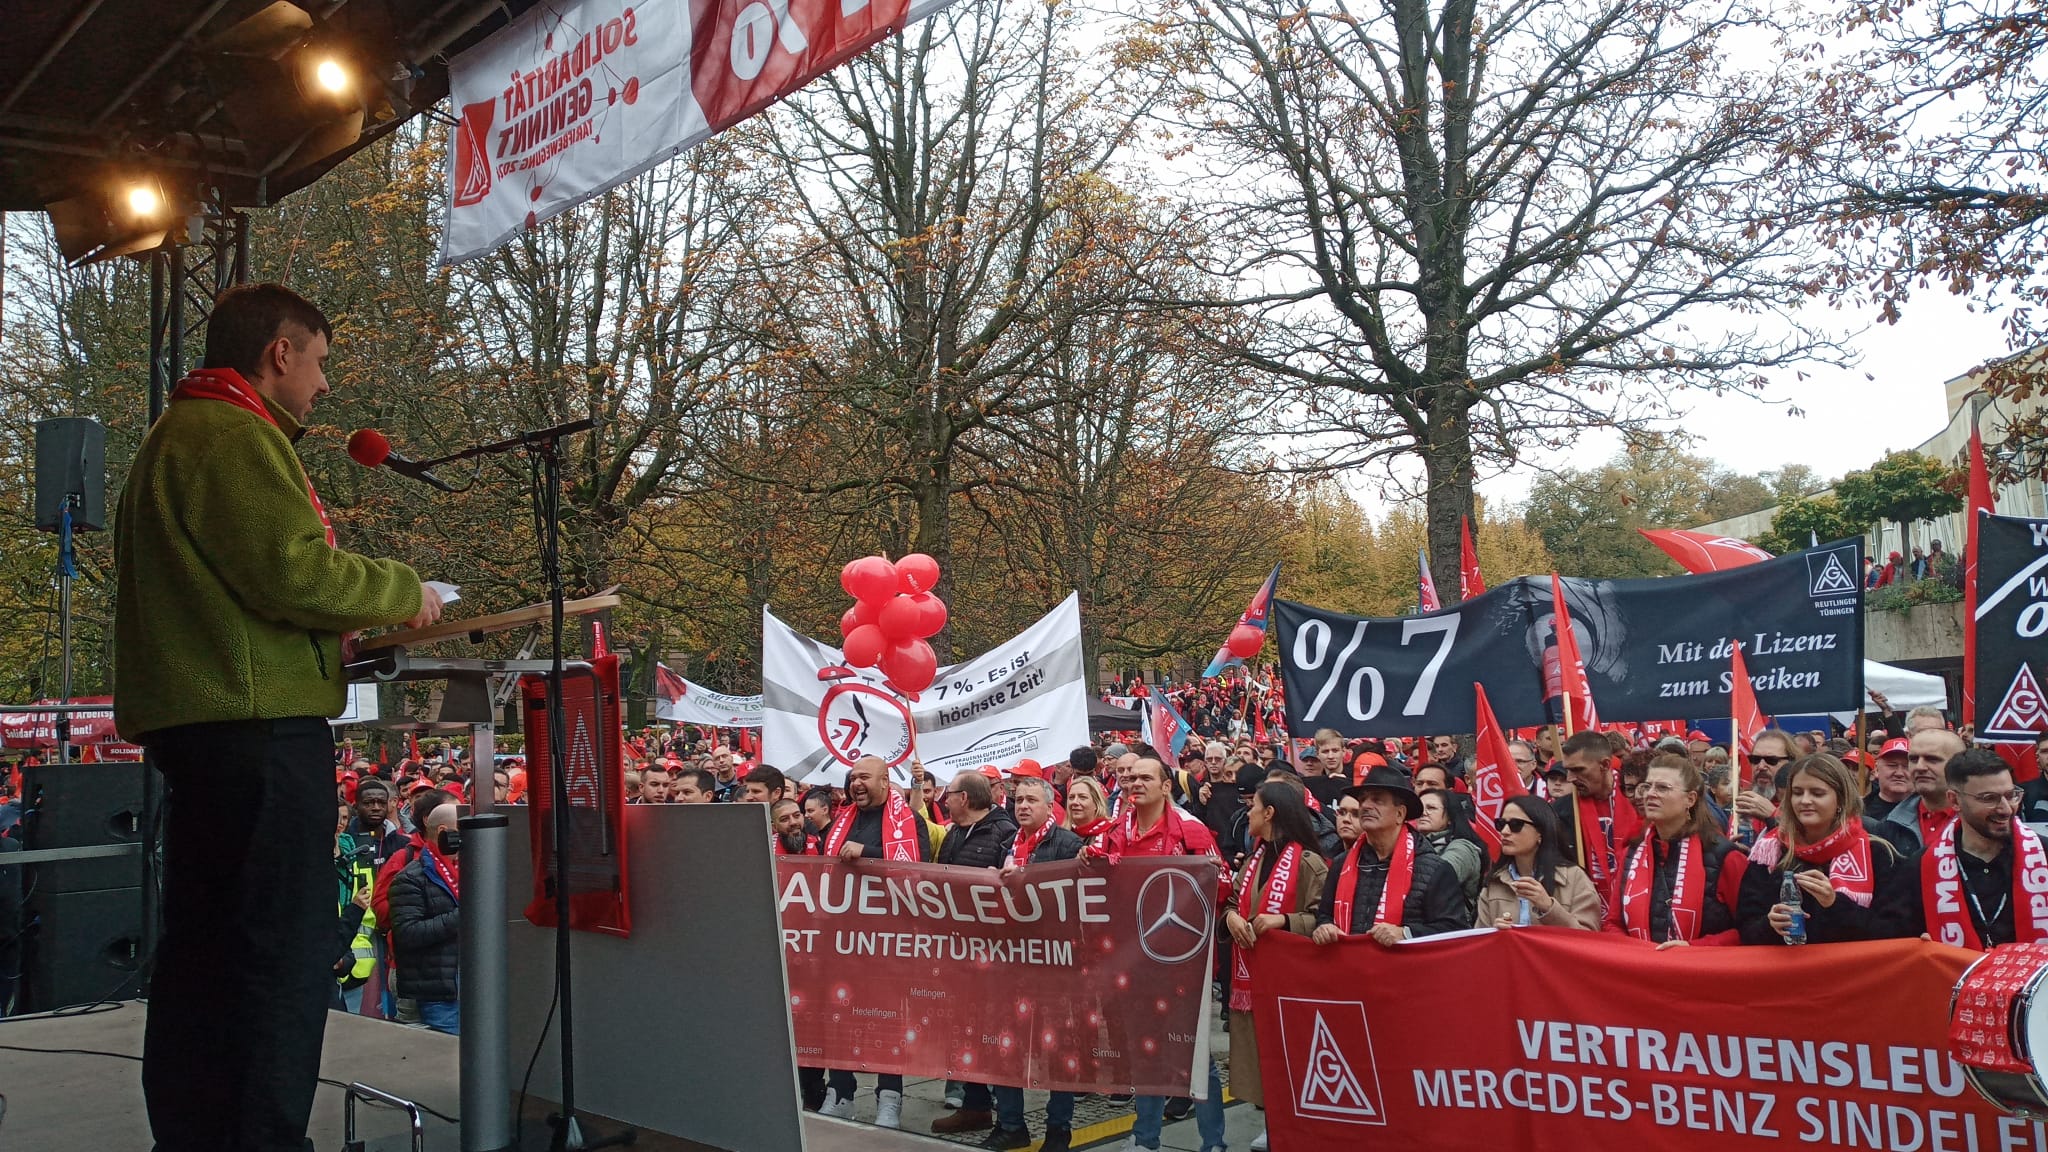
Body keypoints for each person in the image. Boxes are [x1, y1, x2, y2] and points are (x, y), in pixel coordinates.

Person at [114, 284, 444, 1152]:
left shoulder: (177, 436)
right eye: (322, 362)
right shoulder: (230, 435)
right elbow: (292, 572)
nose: (327, 387)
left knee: (209, 954)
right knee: (275, 955)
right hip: (256, 734)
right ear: (280, 354)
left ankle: (200, 1132)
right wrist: (406, 592)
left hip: (215, 733)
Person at [1104, 757, 1228, 1152]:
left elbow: (1222, 887)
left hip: (1181, 966)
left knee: (1193, 1055)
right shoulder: (1115, 831)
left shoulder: (1191, 830)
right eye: (1130, 777)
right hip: (1134, 962)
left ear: (1165, 786)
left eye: (1145, 777)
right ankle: (1145, 1139)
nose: (1134, 783)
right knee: (1147, 1051)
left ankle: (1214, 1143)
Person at [818, 757, 932, 1128]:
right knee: (841, 1017)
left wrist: (865, 854)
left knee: (888, 1021)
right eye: (852, 778)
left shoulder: (908, 820)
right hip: (845, 939)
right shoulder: (842, 819)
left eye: (864, 776)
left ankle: (889, 1099)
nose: (856, 783)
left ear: (885, 781)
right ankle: (840, 1093)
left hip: (889, 942)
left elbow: (920, 865)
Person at [1225, 782, 1329, 1152]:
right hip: (1254, 977)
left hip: (1293, 983)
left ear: (1269, 813)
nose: (1247, 812)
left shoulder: (1309, 863)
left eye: (1253, 805)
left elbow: (1323, 918)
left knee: (1294, 1056)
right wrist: (1232, 919)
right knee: (1263, 1054)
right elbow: (1235, 902)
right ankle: (1272, 1118)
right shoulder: (1254, 859)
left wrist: (1285, 920)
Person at [987, 777, 1086, 1151]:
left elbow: (1076, 901)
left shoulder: (1068, 845)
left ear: (1049, 806)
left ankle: (1059, 1129)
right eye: (1017, 800)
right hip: (1011, 963)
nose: (1022, 806)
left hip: (1055, 965)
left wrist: (1026, 882)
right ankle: (1011, 1124)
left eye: (1031, 800)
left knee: (1059, 1049)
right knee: (1007, 1045)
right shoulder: (1005, 846)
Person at [1736, 754, 1910, 944]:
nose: (1805, 800)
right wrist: (1769, 926)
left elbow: (1896, 931)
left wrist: (1834, 904)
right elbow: (1745, 927)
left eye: (1817, 793)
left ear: (1841, 800)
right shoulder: (1770, 853)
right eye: (1797, 792)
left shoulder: (1878, 854)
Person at [1901, 748, 2048, 948]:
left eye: (2011, 795)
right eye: (1989, 798)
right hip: (1957, 977)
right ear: (1954, 800)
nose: (2005, 808)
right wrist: (1919, 945)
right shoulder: (1922, 865)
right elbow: (1897, 936)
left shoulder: (2044, 853)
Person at [1602, 756, 1748, 947]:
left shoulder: (1725, 857)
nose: (1649, 794)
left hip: (1701, 971)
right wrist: (1636, 952)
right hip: (1642, 970)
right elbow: (1614, 923)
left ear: (1690, 799)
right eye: (1647, 786)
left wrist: (1693, 949)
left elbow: (1749, 929)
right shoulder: (1632, 853)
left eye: (1662, 788)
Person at [1313, 767, 1470, 944]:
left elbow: (1454, 930)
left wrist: (1406, 933)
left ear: (1400, 813)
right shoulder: (1341, 864)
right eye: (1363, 799)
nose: (1365, 806)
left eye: (1377, 800)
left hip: (1407, 969)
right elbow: (1324, 915)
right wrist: (1325, 927)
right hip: (1351, 966)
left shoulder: (1435, 869)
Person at [388, 802, 462, 1034]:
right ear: (443, 832)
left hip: (471, 988)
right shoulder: (410, 878)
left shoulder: (470, 870)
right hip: (440, 994)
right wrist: (464, 917)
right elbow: (408, 933)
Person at [1477, 794, 1601, 929]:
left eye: (1515, 825)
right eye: (1501, 824)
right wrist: (1495, 934)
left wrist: (1549, 908)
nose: (1505, 831)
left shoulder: (1574, 878)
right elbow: (1478, 943)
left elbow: (1589, 940)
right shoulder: (1494, 882)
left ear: (1540, 832)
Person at [1551, 730, 1642, 906]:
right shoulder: (1561, 811)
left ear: (1605, 764)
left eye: (1578, 770)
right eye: (1568, 770)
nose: (1570, 779)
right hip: (1585, 907)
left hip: (1634, 902)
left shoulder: (1638, 800)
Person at [1878, 728, 1967, 850]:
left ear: (1959, 765)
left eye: (1932, 759)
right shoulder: (1889, 827)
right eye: (1913, 759)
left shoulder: (1981, 824)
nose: (1919, 767)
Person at [332, 804, 378, 1012]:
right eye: (335, 817)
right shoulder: (309, 860)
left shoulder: (357, 853)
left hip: (354, 959)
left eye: (343, 818)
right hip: (329, 957)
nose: (339, 823)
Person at [1416, 788, 1486, 917]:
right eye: (1420, 808)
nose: (1423, 813)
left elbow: (1437, 881)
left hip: (1449, 927)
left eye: (1431, 808)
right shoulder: (1412, 844)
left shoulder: (1463, 848)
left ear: (1449, 817)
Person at [346, 778, 408, 864]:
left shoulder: (403, 845)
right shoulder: (344, 843)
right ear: (356, 806)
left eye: (382, 803)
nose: (376, 808)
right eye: (368, 803)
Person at [1864, 737, 1913, 820]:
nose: (1899, 773)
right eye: (1892, 765)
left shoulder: (1929, 812)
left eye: (1907, 766)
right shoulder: (1857, 812)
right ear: (1876, 769)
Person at [1065, 776, 1112, 854]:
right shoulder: (1061, 834)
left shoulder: (1112, 832)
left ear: (1097, 804)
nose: (1075, 802)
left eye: (1082, 797)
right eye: (1071, 797)